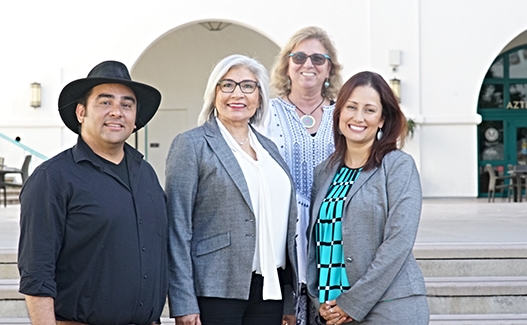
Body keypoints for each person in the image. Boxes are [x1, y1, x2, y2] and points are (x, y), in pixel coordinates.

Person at [17, 60, 168, 325]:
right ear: (81, 112)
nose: (116, 112)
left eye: (126, 104)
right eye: (105, 102)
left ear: (135, 120)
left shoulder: (147, 175)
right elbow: (37, 274)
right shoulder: (52, 179)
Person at [166, 54, 298, 325]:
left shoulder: (270, 150)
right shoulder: (191, 145)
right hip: (215, 288)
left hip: (269, 291)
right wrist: (183, 301)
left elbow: (282, 228)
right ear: (214, 94)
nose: (237, 94)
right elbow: (176, 227)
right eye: (227, 85)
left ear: (259, 96)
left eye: (248, 86)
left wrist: (287, 298)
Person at [308, 71, 428, 325]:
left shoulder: (397, 166)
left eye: (370, 110)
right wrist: (319, 301)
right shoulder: (324, 172)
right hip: (331, 310)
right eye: (351, 107)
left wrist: (352, 303)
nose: (358, 117)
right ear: (338, 113)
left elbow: (399, 242)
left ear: (383, 119)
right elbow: (316, 244)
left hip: (388, 308)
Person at [262, 26, 343, 325]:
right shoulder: (267, 112)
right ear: (286, 65)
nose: (308, 64)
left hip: (332, 229)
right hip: (282, 229)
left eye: (318, 59)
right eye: (299, 57)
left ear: (329, 69)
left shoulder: (342, 115)